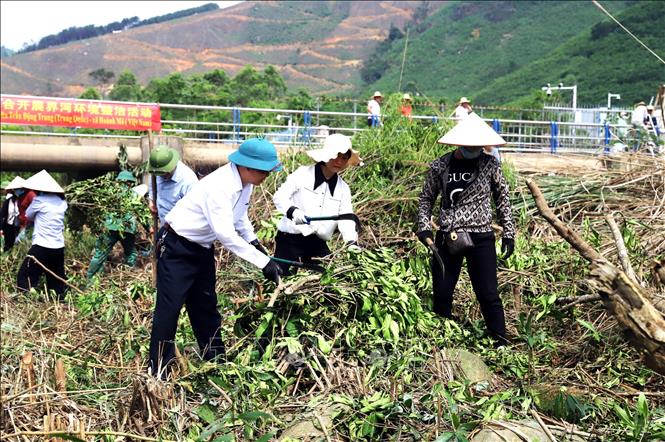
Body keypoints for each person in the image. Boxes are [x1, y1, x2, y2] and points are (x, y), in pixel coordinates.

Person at [148, 138, 284, 377]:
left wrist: (255, 244)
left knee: (206, 308)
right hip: (177, 246)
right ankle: (158, 371)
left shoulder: (245, 183)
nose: (268, 176)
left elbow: (239, 217)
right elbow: (225, 233)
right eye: (265, 171)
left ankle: (217, 363)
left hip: (202, 248)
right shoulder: (218, 186)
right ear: (248, 167)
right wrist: (263, 263)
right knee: (169, 311)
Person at [416, 113, 515, 346]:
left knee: (488, 293)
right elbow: (426, 199)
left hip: (481, 236)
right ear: (459, 142)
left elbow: (503, 199)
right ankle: (441, 340)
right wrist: (423, 228)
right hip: (447, 236)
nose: (474, 149)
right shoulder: (441, 165)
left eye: (478, 145)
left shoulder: (490, 164)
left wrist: (508, 232)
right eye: (469, 145)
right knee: (442, 293)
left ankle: (500, 341)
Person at [272, 134, 362, 275]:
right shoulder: (302, 174)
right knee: (278, 276)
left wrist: (351, 242)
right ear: (326, 155)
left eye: (344, 158)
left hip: (317, 242)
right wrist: (293, 212)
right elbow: (280, 196)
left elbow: (346, 219)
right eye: (336, 155)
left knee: (326, 280)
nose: (338, 161)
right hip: (290, 239)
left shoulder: (343, 188)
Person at [16, 170, 68, 299]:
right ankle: (59, 299)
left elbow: (28, 215)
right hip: (58, 247)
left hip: (41, 246)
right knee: (56, 277)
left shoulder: (39, 201)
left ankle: (25, 298)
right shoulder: (62, 203)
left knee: (25, 275)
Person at [86, 171, 143, 280]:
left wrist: (98, 226)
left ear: (118, 181)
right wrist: (149, 228)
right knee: (131, 253)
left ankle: (91, 282)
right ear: (129, 183)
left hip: (110, 227)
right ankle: (128, 277)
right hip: (127, 229)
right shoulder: (134, 195)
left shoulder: (109, 193)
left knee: (100, 254)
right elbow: (141, 213)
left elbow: (98, 211)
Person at [147, 146, 198, 226]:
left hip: (183, 229)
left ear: (172, 165)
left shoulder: (188, 180)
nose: (161, 176)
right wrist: (151, 200)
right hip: (164, 224)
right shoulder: (156, 172)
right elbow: (152, 188)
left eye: (165, 173)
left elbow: (195, 210)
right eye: (159, 174)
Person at [1, 177, 24, 252]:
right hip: (9, 227)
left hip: (20, 227)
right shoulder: (8, 202)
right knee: (8, 245)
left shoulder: (23, 201)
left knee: (18, 246)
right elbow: (2, 215)